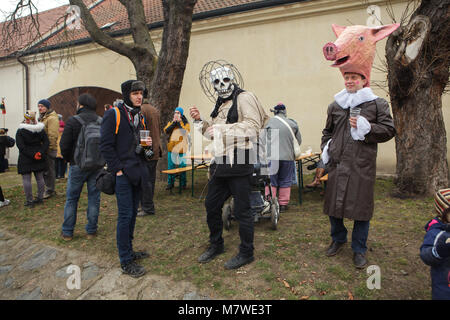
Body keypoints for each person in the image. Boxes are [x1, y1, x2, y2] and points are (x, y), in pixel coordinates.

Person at [190, 61, 269, 269]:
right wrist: (201, 122)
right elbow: (212, 134)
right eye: (216, 81)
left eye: (225, 80)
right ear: (212, 85)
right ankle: (216, 245)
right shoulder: (221, 105)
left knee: (242, 210)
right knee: (211, 205)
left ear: (232, 80)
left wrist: (222, 131)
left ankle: (246, 252)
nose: (221, 84)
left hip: (240, 162)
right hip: (221, 164)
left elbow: (253, 127)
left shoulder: (245, 98)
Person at [321, 71, 395, 269]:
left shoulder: (377, 104)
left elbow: (389, 130)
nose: (350, 81)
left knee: (361, 209)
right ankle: (338, 238)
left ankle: (359, 248)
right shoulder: (336, 105)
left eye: (355, 77)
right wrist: (326, 148)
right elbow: (327, 132)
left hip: (361, 165)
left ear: (364, 80)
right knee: (333, 207)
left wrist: (368, 127)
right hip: (337, 164)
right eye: (347, 77)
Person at [100, 80, 150, 278]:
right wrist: (117, 170)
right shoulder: (114, 114)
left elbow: (146, 141)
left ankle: (130, 251)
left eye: (141, 93)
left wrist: (147, 149)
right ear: (126, 95)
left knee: (132, 216)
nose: (139, 96)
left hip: (138, 172)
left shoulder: (141, 115)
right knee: (125, 216)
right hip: (123, 175)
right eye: (135, 93)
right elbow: (105, 145)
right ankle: (125, 260)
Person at [59, 94, 102, 241]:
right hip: (96, 166)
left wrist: (69, 159)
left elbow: (64, 145)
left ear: (81, 105)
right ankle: (91, 231)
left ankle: (67, 232)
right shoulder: (100, 121)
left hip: (77, 165)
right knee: (94, 198)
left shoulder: (73, 121)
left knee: (72, 199)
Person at [264, 103, 302, 212]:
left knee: (271, 180)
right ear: (285, 111)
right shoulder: (292, 124)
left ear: (275, 112)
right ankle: (283, 204)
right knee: (285, 180)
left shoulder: (269, 123)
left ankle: (270, 203)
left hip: (273, 156)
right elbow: (298, 141)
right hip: (288, 157)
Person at [420, 188, 450, 300]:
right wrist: (439, 251)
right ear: (443, 213)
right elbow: (425, 255)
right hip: (444, 287)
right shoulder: (437, 233)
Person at [15, 111, 49, 208]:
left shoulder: (20, 131)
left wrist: (32, 154)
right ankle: (40, 198)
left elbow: (21, 146)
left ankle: (29, 201)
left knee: (26, 179)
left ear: (26, 118)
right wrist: (40, 152)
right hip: (38, 155)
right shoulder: (40, 129)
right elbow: (46, 142)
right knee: (40, 178)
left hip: (25, 157)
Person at [138, 99, 162, 216]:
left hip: (148, 150)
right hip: (156, 149)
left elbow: (143, 132)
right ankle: (146, 205)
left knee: (145, 181)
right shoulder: (155, 110)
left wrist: (144, 150)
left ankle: (147, 207)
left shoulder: (141, 110)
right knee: (150, 180)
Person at [163, 107, 190, 190]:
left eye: (178, 113)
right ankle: (170, 184)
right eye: (175, 112)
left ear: (181, 114)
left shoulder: (185, 123)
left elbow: (184, 133)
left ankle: (183, 184)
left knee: (182, 166)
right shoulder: (171, 122)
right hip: (172, 147)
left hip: (182, 148)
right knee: (171, 166)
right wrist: (173, 124)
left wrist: (178, 123)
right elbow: (166, 130)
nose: (176, 114)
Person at [38, 99, 59, 199]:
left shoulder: (52, 118)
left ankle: (50, 190)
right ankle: (48, 189)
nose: (40, 108)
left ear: (47, 107)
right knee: (45, 170)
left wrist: (49, 148)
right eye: (39, 106)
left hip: (49, 148)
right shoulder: (43, 118)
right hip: (43, 148)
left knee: (49, 170)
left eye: (42, 106)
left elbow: (52, 135)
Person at [55, 115, 67, 179]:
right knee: (63, 163)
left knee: (56, 163)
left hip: (56, 148)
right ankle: (62, 175)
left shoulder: (55, 128)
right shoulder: (65, 128)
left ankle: (56, 175)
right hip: (63, 148)